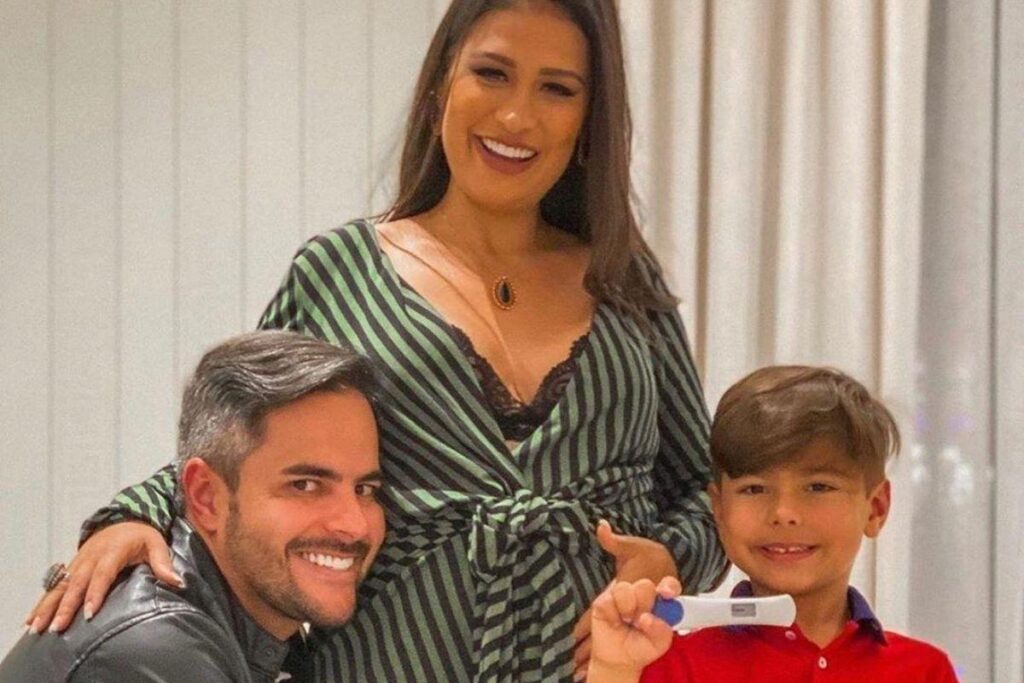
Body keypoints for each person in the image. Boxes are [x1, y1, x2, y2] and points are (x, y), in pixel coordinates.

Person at [25, 1, 726, 680]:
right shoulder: (341, 273)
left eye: (558, 88)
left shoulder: (624, 281)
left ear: (589, 117)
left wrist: (670, 556)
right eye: (492, 73)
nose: (517, 115)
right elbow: (239, 445)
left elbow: (707, 490)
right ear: (441, 83)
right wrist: (130, 516)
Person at [2, 331, 384, 682]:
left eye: (365, 489)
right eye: (305, 485)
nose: (354, 525)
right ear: (206, 497)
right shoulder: (155, 648)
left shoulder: (254, 627)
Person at [585, 366, 959, 683]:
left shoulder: (925, 671)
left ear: (875, 508)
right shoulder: (664, 665)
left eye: (818, 487)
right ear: (719, 509)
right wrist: (612, 671)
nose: (784, 512)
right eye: (754, 489)